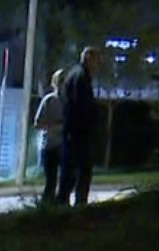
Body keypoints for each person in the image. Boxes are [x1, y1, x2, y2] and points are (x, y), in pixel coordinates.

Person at [56, 48, 101, 207]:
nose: (98, 65)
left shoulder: (76, 74)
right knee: (81, 169)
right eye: (96, 60)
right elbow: (80, 105)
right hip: (78, 132)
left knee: (71, 169)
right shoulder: (81, 77)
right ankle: (77, 203)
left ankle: (64, 202)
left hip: (73, 130)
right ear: (88, 58)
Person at [32, 69, 66, 205]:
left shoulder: (69, 101)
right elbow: (37, 123)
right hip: (50, 146)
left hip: (64, 146)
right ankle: (46, 206)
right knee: (51, 181)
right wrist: (56, 126)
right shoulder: (49, 100)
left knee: (66, 180)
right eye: (61, 81)